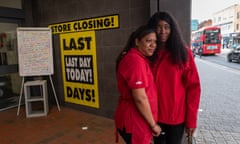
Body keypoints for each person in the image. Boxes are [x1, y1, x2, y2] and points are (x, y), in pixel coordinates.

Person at [147, 11, 201, 144]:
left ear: (172, 29)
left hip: (176, 118)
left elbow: (193, 88)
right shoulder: (149, 53)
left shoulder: (183, 52)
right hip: (154, 116)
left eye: (166, 26)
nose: (162, 31)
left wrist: (191, 120)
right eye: (158, 27)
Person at [114, 25, 162, 144]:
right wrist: (153, 125)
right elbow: (140, 98)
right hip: (135, 121)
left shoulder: (138, 58)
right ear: (137, 42)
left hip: (137, 119)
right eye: (148, 41)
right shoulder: (135, 61)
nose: (153, 45)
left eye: (155, 42)